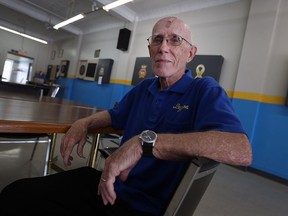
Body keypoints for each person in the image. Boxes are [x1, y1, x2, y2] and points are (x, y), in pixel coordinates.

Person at [0, 16, 252, 216]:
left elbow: (240, 150)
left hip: (141, 207)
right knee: (15, 194)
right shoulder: (145, 88)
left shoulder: (204, 90)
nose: (164, 47)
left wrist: (146, 143)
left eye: (175, 40)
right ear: (149, 48)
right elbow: (114, 116)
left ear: (191, 53)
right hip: (106, 187)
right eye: (157, 39)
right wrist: (85, 122)